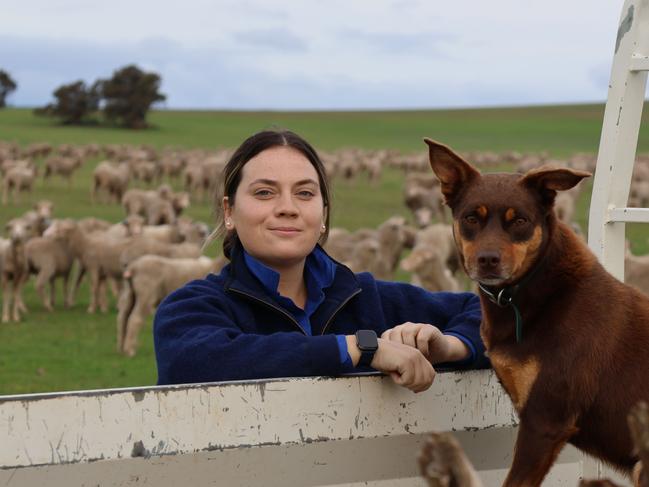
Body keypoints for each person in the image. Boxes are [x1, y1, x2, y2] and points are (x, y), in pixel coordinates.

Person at [153, 129, 489, 392]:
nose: (288, 207)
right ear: (229, 212)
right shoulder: (191, 308)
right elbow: (198, 362)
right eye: (264, 193)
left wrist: (449, 346)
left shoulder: (366, 298)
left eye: (304, 193)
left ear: (323, 214)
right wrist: (361, 348)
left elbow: (504, 318)